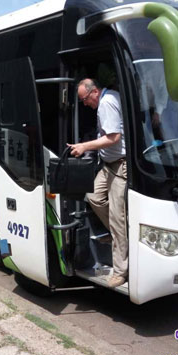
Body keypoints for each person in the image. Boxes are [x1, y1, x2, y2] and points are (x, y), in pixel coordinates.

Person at [68, 78, 128, 288]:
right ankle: (118, 236)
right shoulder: (109, 99)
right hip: (108, 165)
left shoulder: (106, 103)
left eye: (85, 99)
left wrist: (84, 146)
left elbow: (113, 137)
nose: (85, 104)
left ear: (94, 92)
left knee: (117, 218)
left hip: (119, 166)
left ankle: (121, 271)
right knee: (93, 197)